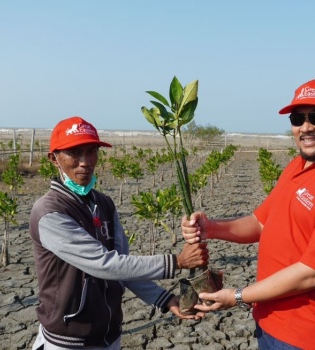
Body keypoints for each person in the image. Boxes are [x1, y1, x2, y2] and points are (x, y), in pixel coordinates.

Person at [182, 79, 315, 350]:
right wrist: (211, 228)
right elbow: (261, 222)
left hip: (309, 333)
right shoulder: (299, 164)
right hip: (270, 320)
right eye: (298, 118)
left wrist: (239, 296)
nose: (306, 127)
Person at [29, 116, 208, 350]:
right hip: (68, 340)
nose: (85, 162)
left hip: (109, 334)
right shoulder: (49, 212)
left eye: (91, 151)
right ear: (54, 159)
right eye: (74, 153)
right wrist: (177, 262)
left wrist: (164, 299)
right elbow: (105, 264)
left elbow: (122, 268)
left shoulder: (104, 204)